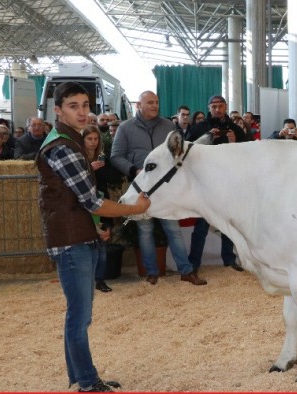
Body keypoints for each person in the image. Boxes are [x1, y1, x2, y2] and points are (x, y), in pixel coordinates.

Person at [36, 81, 150, 392]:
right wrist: (135, 208)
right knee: (80, 315)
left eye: (86, 105)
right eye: (74, 106)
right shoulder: (63, 146)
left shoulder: (69, 142)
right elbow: (92, 201)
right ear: (58, 110)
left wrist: (98, 224)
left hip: (75, 235)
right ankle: (87, 382)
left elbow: (82, 201)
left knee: (79, 314)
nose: (83, 112)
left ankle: (80, 376)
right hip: (71, 240)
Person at [110, 91, 207, 286]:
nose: (155, 106)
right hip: (141, 186)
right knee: (145, 230)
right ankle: (152, 272)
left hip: (165, 188)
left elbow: (178, 154)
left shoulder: (169, 126)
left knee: (173, 229)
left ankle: (186, 271)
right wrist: (133, 170)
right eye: (150, 102)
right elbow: (116, 156)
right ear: (139, 105)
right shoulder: (125, 128)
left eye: (156, 102)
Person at [185, 95, 246, 273]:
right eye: (214, 107)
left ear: (226, 107)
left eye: (220, 106)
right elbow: (188, 150)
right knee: (201, 227)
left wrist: (234, 142)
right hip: (205, 184)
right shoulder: (199, 128)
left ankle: (229, 259)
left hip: (229, 183)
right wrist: (207, 138)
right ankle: (194, 263)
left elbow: (246, 155)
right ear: (208, 108)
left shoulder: (235, 128)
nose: (217, 109)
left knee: (228, 225)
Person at [82, 125, 115, 293]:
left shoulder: (103, 157)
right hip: (83, 204)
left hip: (101, 202)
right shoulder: (78, 159)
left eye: (96, 139)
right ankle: (84, 281)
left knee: (102, 245)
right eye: (89, 139)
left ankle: (100, 280)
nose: (93, 142)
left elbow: (110, 179)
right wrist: (89, 168)